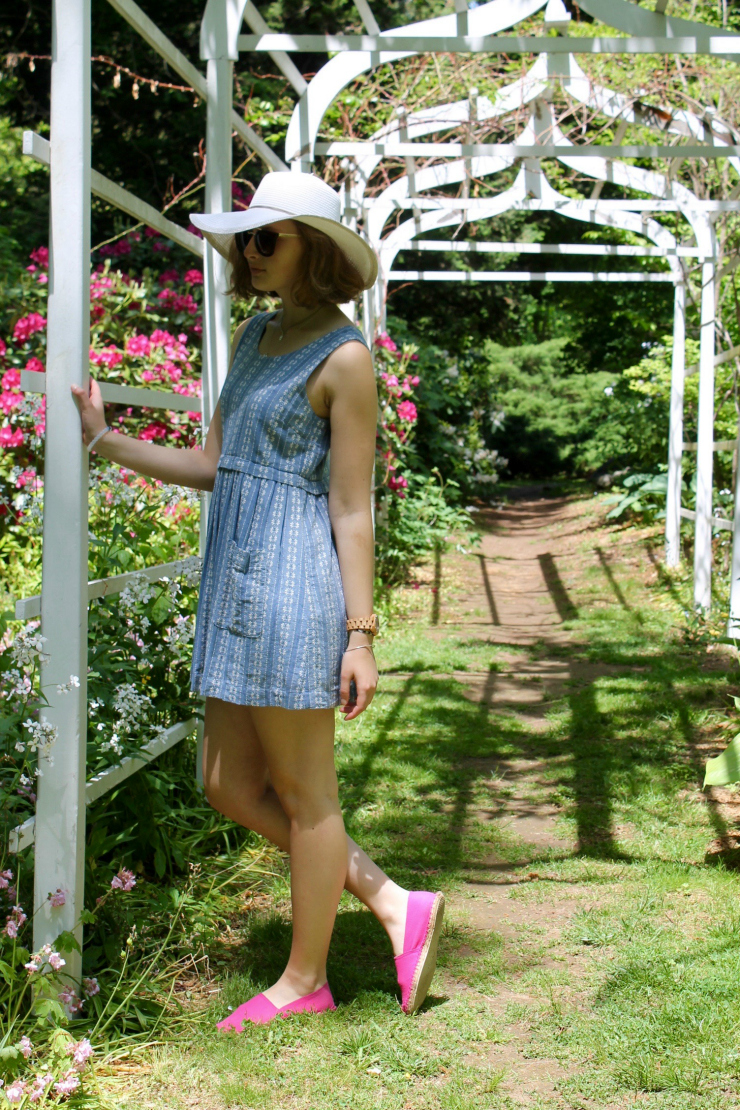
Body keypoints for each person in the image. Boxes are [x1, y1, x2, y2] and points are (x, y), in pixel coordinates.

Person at [71, 171, 444, 1028]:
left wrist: (361, 633)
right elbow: (215, 464)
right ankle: (391, 902)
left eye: (267, 237)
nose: (250, 252)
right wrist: (106, 440)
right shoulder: (254, 334)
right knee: (226, 783)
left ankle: (305, 980)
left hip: (294, 589)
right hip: (234, 580)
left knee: (308, 796)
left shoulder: (345, 359)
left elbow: (353, 506)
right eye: (247, 237)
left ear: (314, 244)